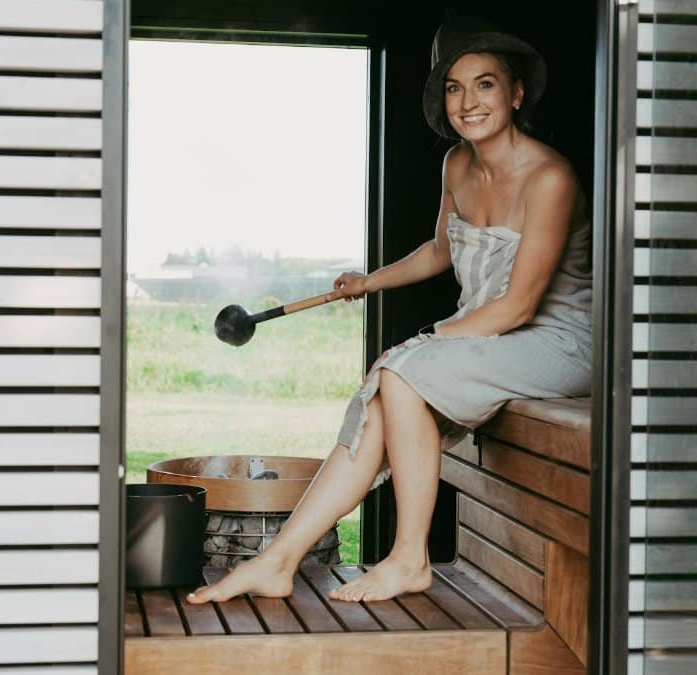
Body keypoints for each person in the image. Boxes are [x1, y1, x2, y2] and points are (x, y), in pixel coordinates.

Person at [188, 15, 591, 605]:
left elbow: (521, 304)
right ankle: (278, 560)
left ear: (516, 92)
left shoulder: (550, 177)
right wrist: (368, 282)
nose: (468, 101)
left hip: (557, 341)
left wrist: (426, 340)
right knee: (387, 393)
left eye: (484, 84)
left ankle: (409, 557)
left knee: (400, 372)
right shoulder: (456, 165)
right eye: (454, 87)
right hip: (494, 337)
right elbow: (442, 249)